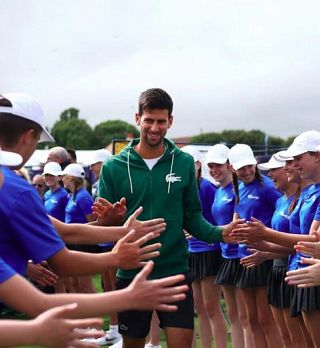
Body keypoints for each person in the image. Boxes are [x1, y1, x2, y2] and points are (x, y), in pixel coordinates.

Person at [99, 88, 243, 348]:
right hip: (132, 272)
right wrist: (108, 220)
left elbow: (192, 216)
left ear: (170, 122)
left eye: (161, 121)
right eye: (149, 120)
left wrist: (220, 233)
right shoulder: (113, 167)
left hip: (175, 272)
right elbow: (103, 227)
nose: (155, 127)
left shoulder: (184, 162)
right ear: (137, 118)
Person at [0, 92, 165, 295]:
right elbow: (63, 261)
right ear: (27, 136)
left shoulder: (16, 187)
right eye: (37, 141)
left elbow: (67, 231)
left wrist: (122, 231)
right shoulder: (17, 190)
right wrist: (117, 259)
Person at [231, 130, 320, 346]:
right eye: (290, 161)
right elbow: (307, 243)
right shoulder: (308, 194)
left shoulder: (307, 194)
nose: (293, 165)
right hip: (298, 271)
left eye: (297, 159)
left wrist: (265, 234)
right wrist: (264, 248)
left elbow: (311, 242)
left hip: (307, 272)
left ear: (317, 155)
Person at [228, 143, 282, 348]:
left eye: (250, 166)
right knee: (252, 321)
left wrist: (267, 245)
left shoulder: (268, 187)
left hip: (265, 258)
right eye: (242, 168)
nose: (247, 171)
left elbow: (281, 219)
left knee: (267, 321)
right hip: (244, 258)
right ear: (233, 168)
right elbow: (237, 216)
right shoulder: (239, 188)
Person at [182, 145, 227, 348]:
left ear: (198, 165)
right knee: (198, 307)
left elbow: (217, 220)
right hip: (192, 252)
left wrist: (201, 232)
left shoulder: (207, 187)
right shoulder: (185, 187)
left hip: (209, 252)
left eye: (190, 165)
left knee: (211, 307)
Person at [207, 144, 245, 348]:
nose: (214, 170)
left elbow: (236, 225)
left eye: (218, 165)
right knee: (233, 314)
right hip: (225, 255)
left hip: (240, 256)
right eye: (210, 166)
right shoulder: (218, 191)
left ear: (229, 166)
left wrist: (211, 233)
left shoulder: (238, 190)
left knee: (246, 317)